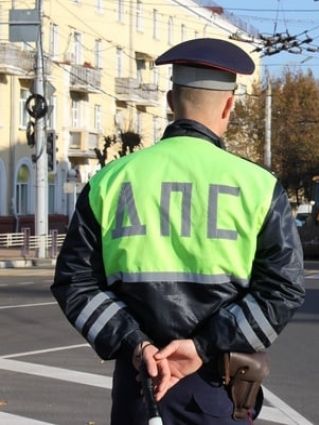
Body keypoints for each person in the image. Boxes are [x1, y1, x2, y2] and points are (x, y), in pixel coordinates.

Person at [51, 38, 305, 425]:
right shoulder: (259, 187)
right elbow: (283, 290)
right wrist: (203, 347)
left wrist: (136, 344)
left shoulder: (110, 181)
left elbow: (75, 282)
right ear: (229, 105)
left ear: (170, 102)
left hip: (140, 390)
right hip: (221, 392)